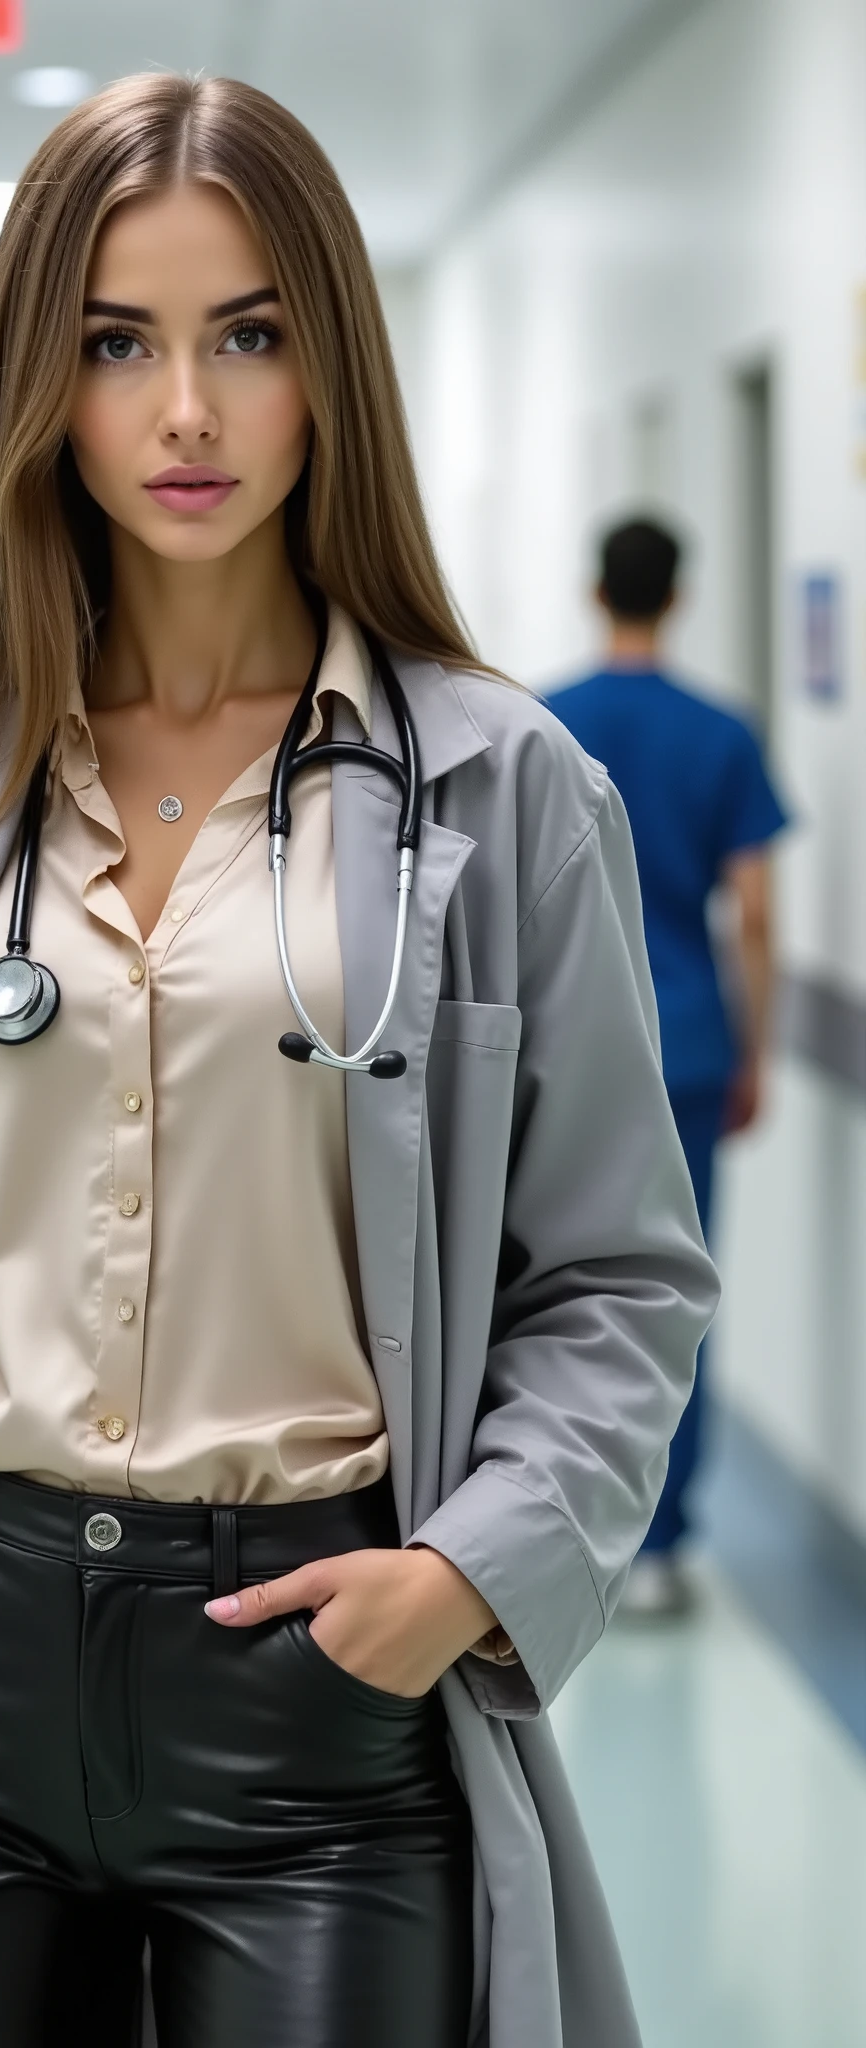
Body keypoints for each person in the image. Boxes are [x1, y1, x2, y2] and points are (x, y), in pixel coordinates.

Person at [0, 77, 717, 2048]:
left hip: (315, 1671)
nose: (186, 412)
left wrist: (466, 1574)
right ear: (43, 385)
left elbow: (621, 1279)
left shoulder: (500, 786)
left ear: (330, 371)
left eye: (249, 335)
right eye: (117, 344)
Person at [545, 518, 788, 1619]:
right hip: (685, 1042)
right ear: (676, 597)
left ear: (595, 590)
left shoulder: (547, 722)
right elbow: (753, 910)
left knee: (554, 1288)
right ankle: (658, 1543)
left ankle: (557, 1523)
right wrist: (753, 1049)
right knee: (671, 1292)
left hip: (566, 1045)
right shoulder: (720, 733)